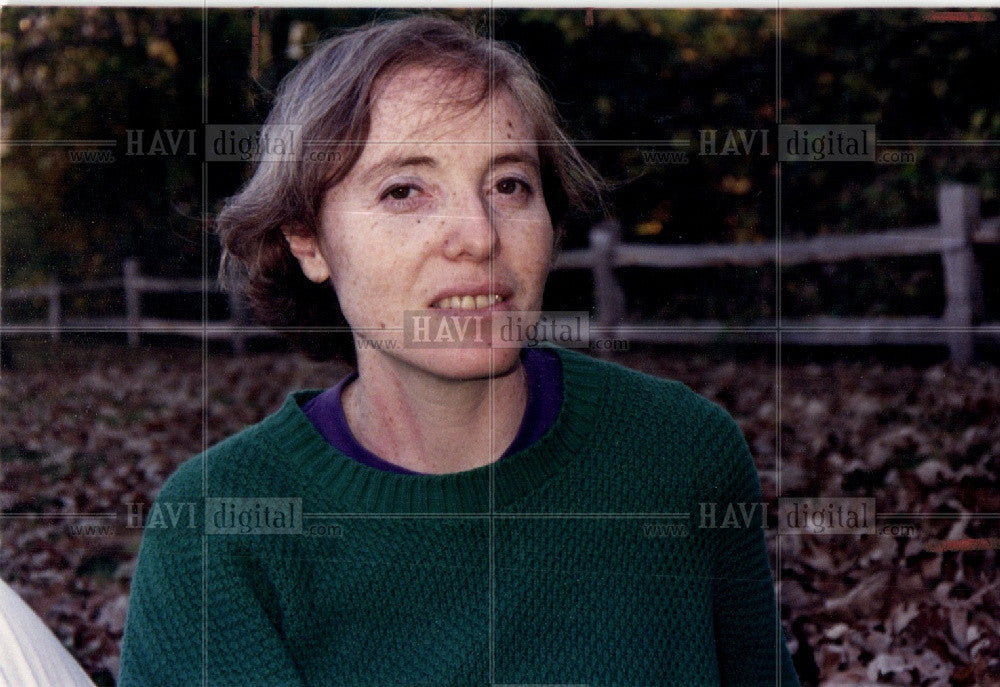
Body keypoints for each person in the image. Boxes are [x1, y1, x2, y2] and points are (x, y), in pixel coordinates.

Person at [119, 14, 800, 686]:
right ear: (308, 240)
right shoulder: (217, 535)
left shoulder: (680, 453)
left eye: (509, 183)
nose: (478, 234)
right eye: (405, 190)